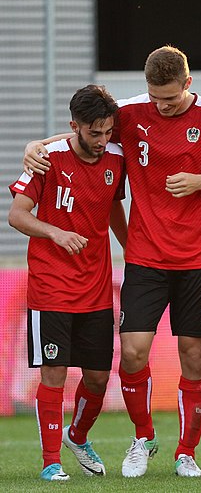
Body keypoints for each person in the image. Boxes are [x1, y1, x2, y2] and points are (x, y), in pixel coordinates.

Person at [24, 46, 201, 478]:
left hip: (199, 257)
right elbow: (81, 133)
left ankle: (186, 453)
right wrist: (36, 144)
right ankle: (143, 437)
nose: (162, 105)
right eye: (155, 97)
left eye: (171, 98)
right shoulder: (129, 113)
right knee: (134, 354)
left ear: (188, 85)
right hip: (145, 256)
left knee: (194, 355)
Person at [9, 85, 127, 481]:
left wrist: (131, 248)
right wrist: (55, 233)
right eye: (94, 132)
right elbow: (17, 215)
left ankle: (77, 435)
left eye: (108, 131)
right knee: (54, 373)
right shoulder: (46, 159)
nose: (102, 139)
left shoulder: (115, 157)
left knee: (97, 377)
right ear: (73, 126)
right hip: (51, 286)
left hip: (96, 285)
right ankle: (50, 462)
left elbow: (113, 206)